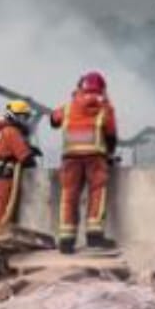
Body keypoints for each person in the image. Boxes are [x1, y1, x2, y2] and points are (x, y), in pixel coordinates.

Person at [50, 70, 119, 253]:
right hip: (96, 157)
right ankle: (94, 237)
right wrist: (110, 153)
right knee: (97, 194)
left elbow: (53, 120)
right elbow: (111, 134)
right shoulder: (105, 107)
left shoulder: (68, 107)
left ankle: (66, 240)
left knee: (69, 196)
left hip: (70, 157)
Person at [0, 99, 39, 237]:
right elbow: (25, 158)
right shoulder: (11, 132)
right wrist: (31, 156)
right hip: (1, 181)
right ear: (17, 116)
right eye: (24, 117)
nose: (26, 121)